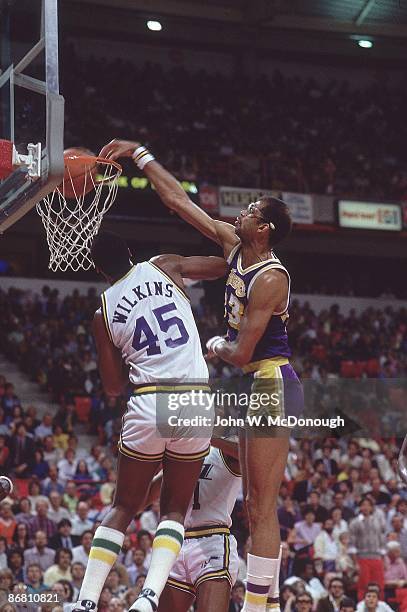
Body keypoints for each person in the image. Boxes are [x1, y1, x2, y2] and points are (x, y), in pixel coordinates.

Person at [99, 138, 303, 612]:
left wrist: (215, 346)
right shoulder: (234, 247)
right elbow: (177, 202)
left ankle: (258, 606)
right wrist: (141, 153)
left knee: (260, 506)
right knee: (252, 502)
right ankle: (264, 602)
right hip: (250, 380)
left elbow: (242, 350)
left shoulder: (272, 277)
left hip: (270, 379)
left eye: (251, 210)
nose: (241, 213)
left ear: (265, 229)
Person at [73, 230, 228, 612]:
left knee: (124, 504)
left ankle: (87, 601)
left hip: (149, 401)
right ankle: (147, 598)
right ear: (129, 252)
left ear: (97, 269)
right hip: (193, 400)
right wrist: (234, 245)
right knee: (174, 509)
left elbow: (111, 387)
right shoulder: (164, 265)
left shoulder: (102, 312)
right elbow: (223, 267)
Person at [151, 440, 242, 612]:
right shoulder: (182, 451)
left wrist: (206, 433)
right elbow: (142, 499)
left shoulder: (224, 449)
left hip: (212, 540)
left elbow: (248, 454)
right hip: (176, 542)